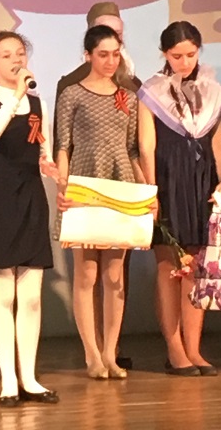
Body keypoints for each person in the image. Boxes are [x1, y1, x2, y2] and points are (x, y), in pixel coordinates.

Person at [137, 20, 221, 376]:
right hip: (167, 182)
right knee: (168, 266)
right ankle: (174, 348)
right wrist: (151, 190)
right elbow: (146, 145)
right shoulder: (151, 91)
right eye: (177, 56)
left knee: (196, 266)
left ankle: (194, 348)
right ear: (165, 54)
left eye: (191, 54)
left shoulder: (213, 91)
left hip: (201, 182)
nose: (185, 62)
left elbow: (218, 142)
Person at [0, 31, 60, 407]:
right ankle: (8, 380)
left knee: (31, 296)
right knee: (3, 293)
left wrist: (51, 166)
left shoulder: (38, 103)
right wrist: (16, 97)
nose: (16, 60)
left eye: (20, 53)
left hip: (31, 198)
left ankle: (30, 377)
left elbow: (43, 150)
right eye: (6, 55)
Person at [56, 24, 146, 380]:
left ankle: (110, 352)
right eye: (103, 54)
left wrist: (145, 193)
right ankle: (91, 354)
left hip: (119, 184)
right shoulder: (72, 94)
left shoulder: (127, 96)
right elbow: (63, 145)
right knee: (87, 273)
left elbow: (132, 149)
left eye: (115, 54)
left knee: (114, 274)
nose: (110, 61)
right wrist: (63, 187)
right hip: (84, 182)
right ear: (88, 55)